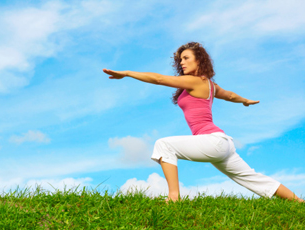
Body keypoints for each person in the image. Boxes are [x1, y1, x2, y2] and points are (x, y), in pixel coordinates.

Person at [102, 42, 304, 204]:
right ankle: (298, 202)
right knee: (251, 178)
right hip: (221, 143)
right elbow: (230, 95)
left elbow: (158, 79)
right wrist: (245, 100)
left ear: (199, 61)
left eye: (186, 58)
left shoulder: (196, 81)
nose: (181, 62)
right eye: (180, 59)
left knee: (163, 145)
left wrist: (127, 73)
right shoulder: (210, 85)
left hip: (213, 141)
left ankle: (173, 198)